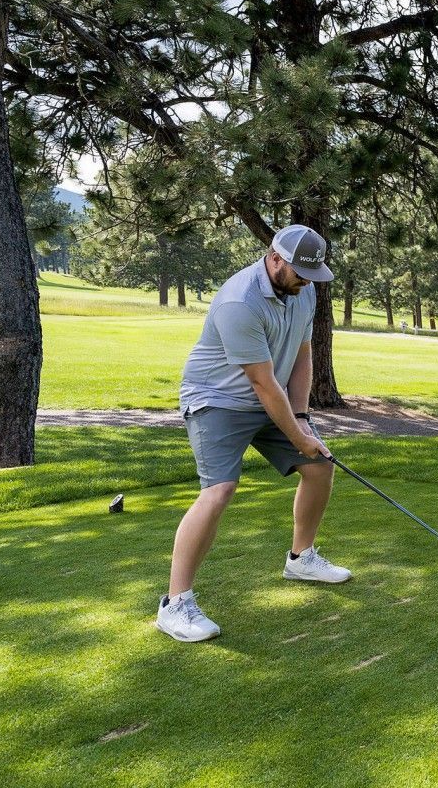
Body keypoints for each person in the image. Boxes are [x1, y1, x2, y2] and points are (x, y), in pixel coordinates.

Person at [157, 224, 350, 643]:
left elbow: (302, 357)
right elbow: (261, 382)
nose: (306, 281)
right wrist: (298, 436)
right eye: (299, 272)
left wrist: (300, 417)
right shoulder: (237, 302)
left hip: (273, 397)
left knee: (319, 468)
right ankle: (175, 604)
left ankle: (301, 558)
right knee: (219, 490)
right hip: (218, 399)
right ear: (275, 258)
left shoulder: (306, 288)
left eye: (312, 275)